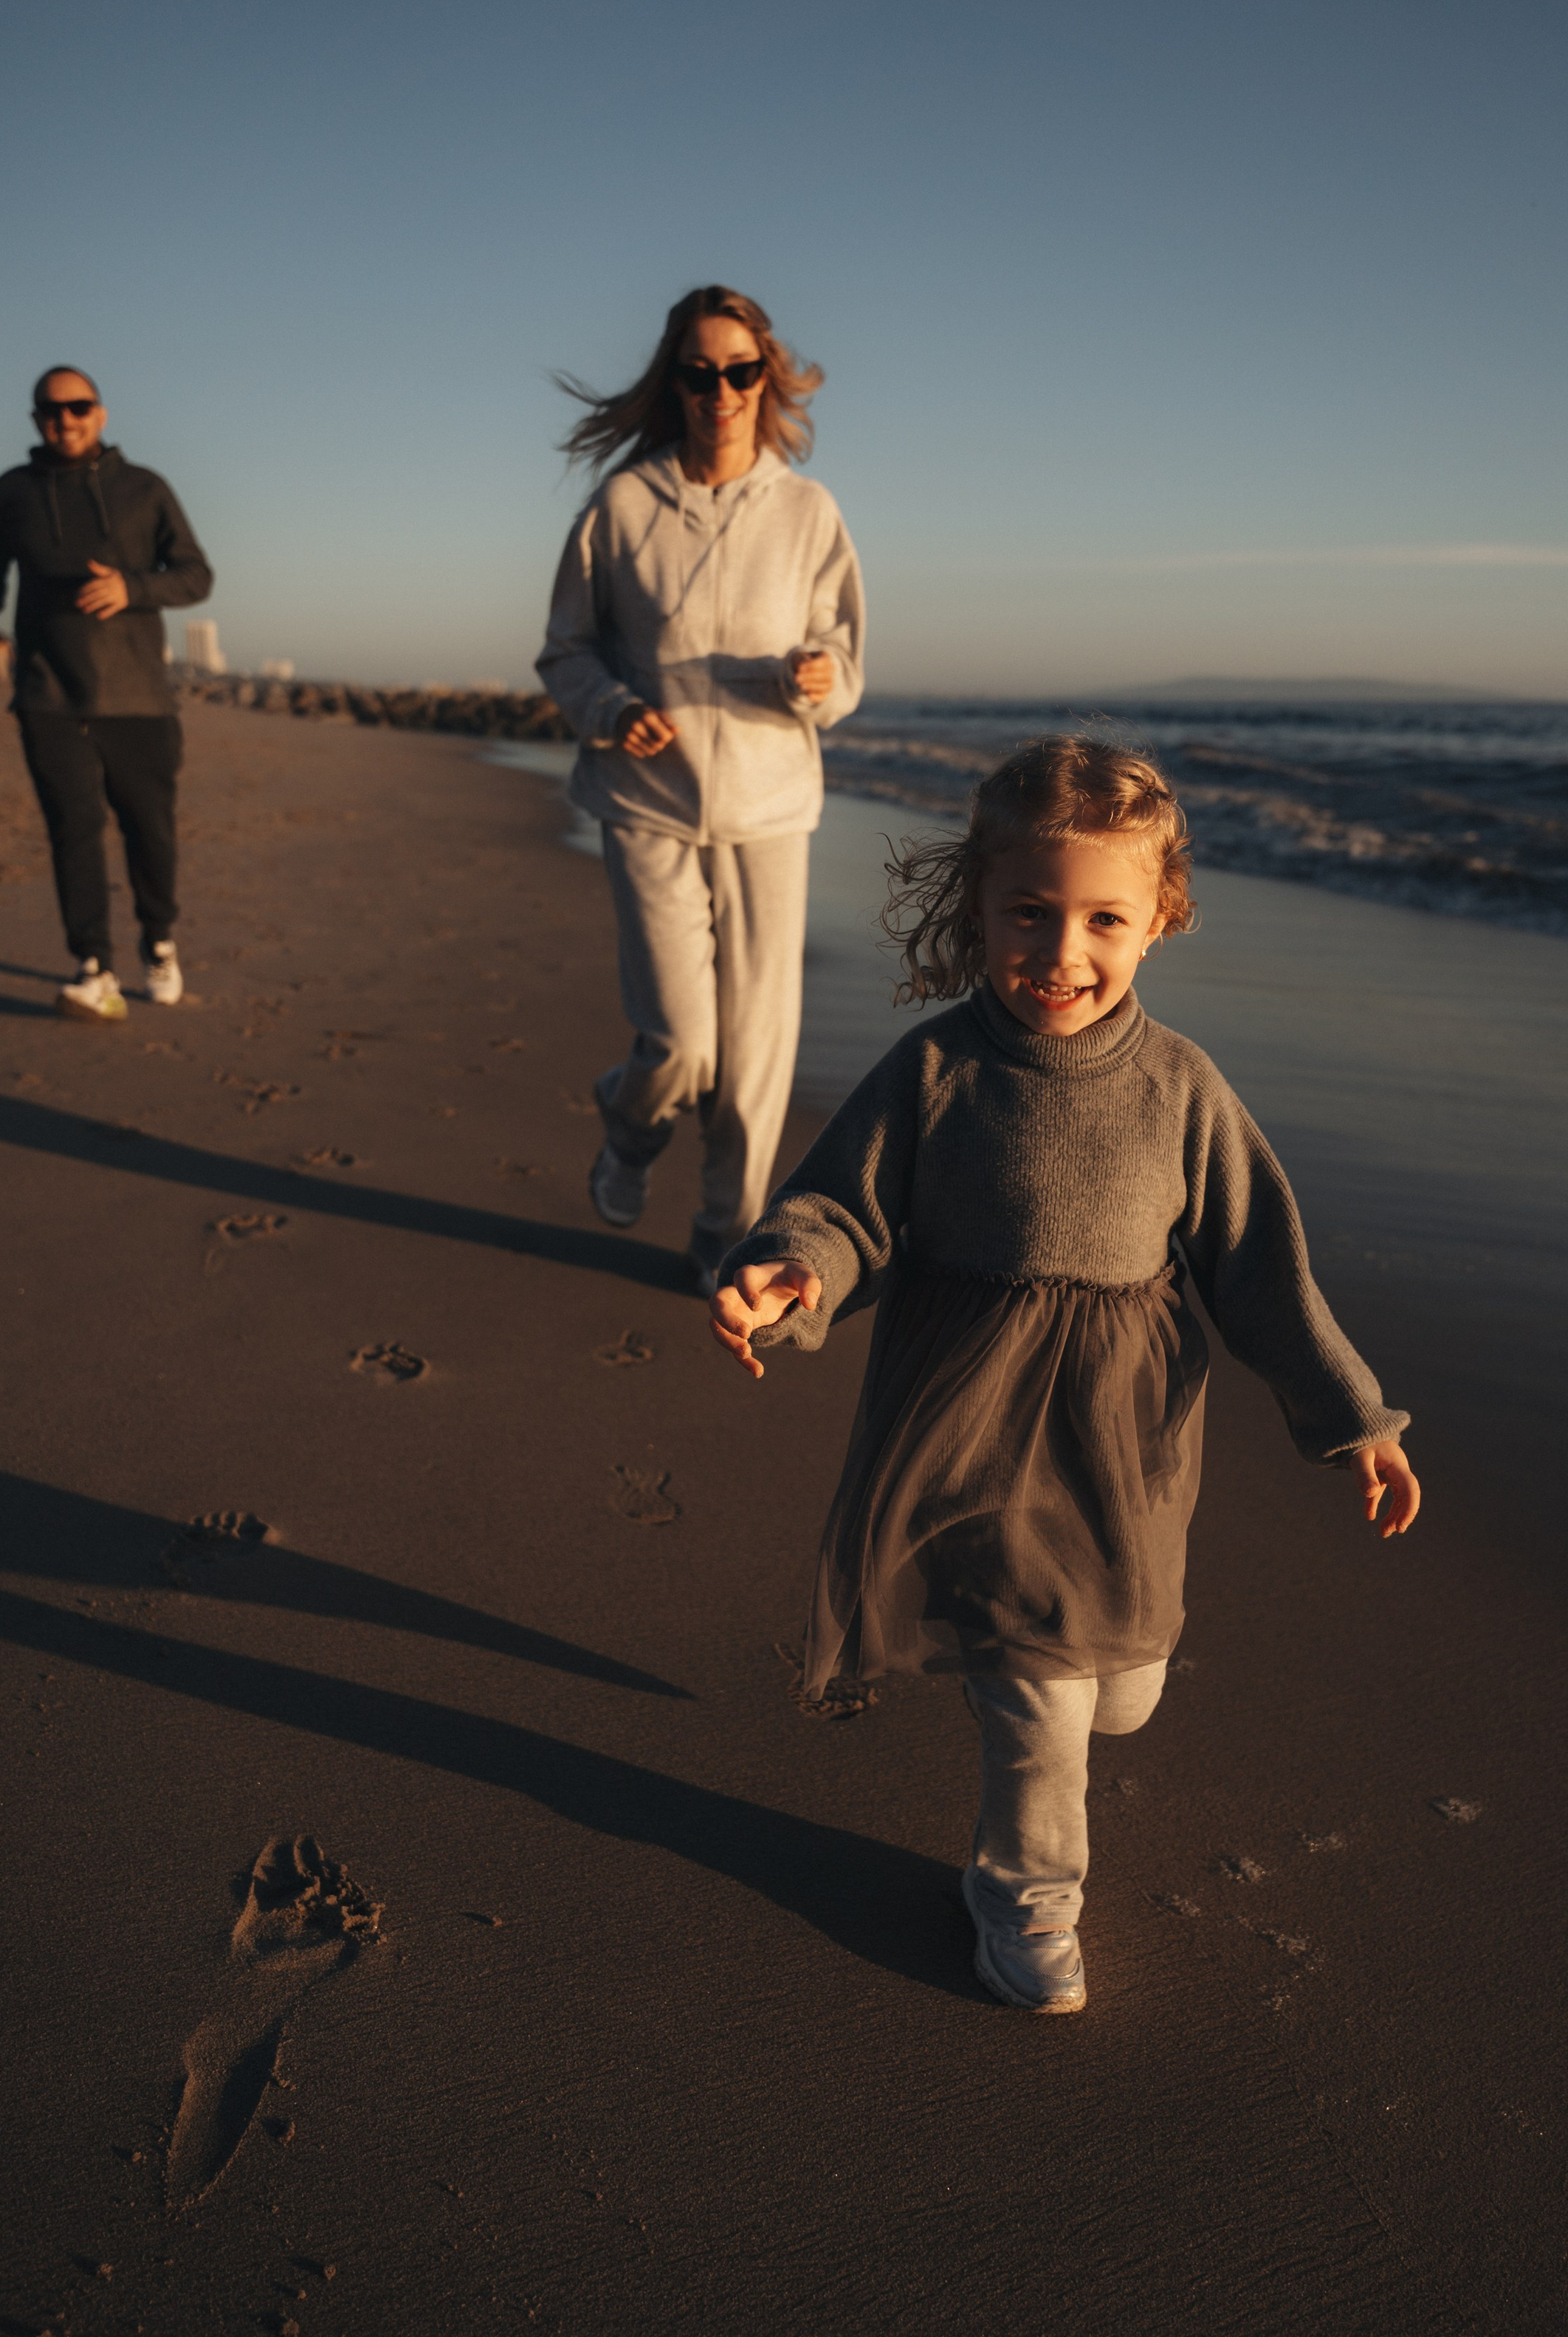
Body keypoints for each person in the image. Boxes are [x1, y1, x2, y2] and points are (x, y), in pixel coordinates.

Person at [710, 738, 1420, 2015]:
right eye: (1028, 914)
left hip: (1124, 1445)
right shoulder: (934, 1073)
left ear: (1162, 919)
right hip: (972, 1433)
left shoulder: (1184, 1088)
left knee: (1125, 1695)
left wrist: (1352, 1417)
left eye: (1104, 918)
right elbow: (843, 1211)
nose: (1061, 951)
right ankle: (1025, 1907)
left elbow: (1261, 1270)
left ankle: (1041, 1730)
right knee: (1042, 1699)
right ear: (976, 904)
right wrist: (794, 1277)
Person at [537, 287, 864, 1295]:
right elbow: (566, 652)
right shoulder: (624, 507)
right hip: (646, 802)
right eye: (698, 372)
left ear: (766, 381)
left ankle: (727, 1236)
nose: (719, 389)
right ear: (671, 382)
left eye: (738, 371)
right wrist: (609, 709)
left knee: (759, 1052)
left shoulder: (809, 512)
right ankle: (630, 1128)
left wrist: (823, 681)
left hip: (772, 804)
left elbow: (844, 658)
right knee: (682, 1041)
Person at [0, 365, 213, 1021]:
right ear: (36, 421)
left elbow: (196, 575)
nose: (66, 419)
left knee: (149, 833)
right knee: (73, 831)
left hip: (139, 698)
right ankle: (94, 967)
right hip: (50, 694)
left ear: (101, 414)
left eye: (79, 407)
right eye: (52, 410)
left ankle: (159, 942)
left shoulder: (144, 489)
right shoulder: (13, 493)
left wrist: (132, 589)